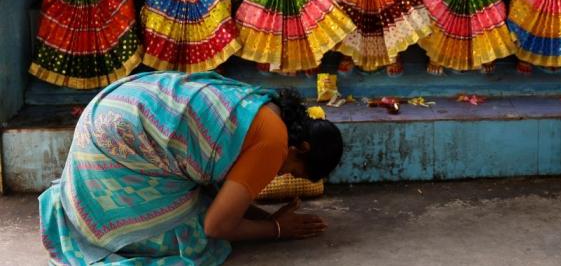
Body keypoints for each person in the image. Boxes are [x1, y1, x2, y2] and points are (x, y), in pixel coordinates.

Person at [39, 71, 343, 264]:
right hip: (115, 148)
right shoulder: (275, 143)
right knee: (197, 240)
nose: (280, 175)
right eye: (293, 170)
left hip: (106, 115)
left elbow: (225, 192)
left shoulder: (262, 104)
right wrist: (276, 230)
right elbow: (217, 226)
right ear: (300, 148)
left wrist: (262, 217)